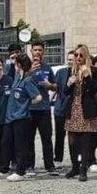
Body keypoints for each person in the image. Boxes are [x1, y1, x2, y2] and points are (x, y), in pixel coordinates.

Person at [0, 54, 42, 182]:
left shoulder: (28, 80)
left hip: (21, 118)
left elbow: (38, 97)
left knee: (20, 146)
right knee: (5, 143)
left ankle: (20, 171)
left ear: (19, 65)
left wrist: (26, 105)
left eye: (16, 64)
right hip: (10, 117)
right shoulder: (16, 78)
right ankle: (3, 169)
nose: (14, 66)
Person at [63, 45, 97, 182]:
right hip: (73, 108)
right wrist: (69, 84)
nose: (78, 58)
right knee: (72, 141)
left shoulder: (93, 71)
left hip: (86, 109)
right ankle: (74, 167)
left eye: (81, 55)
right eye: (76, 55)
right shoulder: (70, 71)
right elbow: (65, 93)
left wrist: (86, 76)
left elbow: (94, 90)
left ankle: (83, 169)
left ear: (86, 57)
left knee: (85, 142)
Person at [25, 41, 58, 176]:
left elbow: (56, 87)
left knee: (46, 138)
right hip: (29, 108)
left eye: (40, 50)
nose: (37, 52)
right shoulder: (25, 67)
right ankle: (29, 166)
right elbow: (19, 83)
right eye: (35, 50)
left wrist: (49, 85)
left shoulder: (47, 68)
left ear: (43, 52)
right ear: (31, 51)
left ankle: (49, 166)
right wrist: (29, 72)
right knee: (28, 139)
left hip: (44, 108)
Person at [53, 50, 75, 167]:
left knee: (74, 136)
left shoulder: (79, 73)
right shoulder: (60, 72)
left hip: (73, 109)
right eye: (69, 59)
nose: (70, 61)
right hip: (60, 108)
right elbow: (56, 88)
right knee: (59, 135)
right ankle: (58, 159)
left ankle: (75, 159)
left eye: (72, 59)